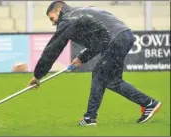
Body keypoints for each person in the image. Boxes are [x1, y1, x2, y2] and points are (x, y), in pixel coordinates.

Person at [27, 1, 162, 126]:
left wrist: (37, 75)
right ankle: (147, 103)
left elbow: (53, 49)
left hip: (114, 39)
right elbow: (98, 41)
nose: (53, 23)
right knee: (112, 80)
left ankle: (90, 117)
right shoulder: (81, 12)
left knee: (99, 75)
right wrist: (82, 58)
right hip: (124, 36)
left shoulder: (66, 20)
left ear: (59, 10)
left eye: (52, 18)